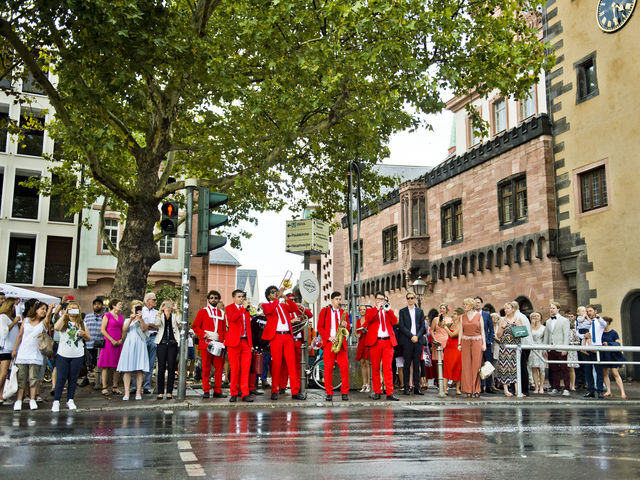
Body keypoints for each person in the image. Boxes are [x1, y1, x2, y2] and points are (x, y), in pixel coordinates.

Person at [261, 285, 306, 400]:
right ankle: (274, 390)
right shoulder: (266, 305)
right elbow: (269, 310)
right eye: (273, 292)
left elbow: (294, 308)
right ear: (268, 296)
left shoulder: (283, 305)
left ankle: (295, 392)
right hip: (276, 337)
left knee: (291, 364)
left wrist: (285, 297)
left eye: (276, 291)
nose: (275, 293)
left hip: (287, 336)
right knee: (277, 364)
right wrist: (277, 298)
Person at [12, 301, 54, 410]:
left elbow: (48, 318)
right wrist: (15, 349)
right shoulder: (26, 320)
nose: (44, 311)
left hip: (36, 354)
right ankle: (19, 400)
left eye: (45, 309)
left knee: (33, 378)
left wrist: (50, 310)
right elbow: (20, 336)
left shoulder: (43, 323)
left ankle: (32, 399)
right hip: (23, 353)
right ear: (36, 309)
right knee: (21, 378)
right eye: (42, 309)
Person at [51, 301, 90, 411]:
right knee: (61, 378)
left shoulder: (82, 323)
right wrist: (65, 314)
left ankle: (70, 399)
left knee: (73, 378)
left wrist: (84, 334)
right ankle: (56, 401)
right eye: (71, 308)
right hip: (63, 354)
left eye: (75, 309)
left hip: (77, 354)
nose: (73, 311)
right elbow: (56, 328)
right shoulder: (64, 321)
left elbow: (88, 337)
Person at [364, 292, 399, 401]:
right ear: (375, 300)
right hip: (376, 342)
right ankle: (377, 391)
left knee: (388, 368)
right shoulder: (371, 311)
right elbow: (368, 320)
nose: (381, 301)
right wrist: (377, 309)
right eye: (379, 299)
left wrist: (387, 311)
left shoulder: (388, 310)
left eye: (383, 299)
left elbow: (394, 321)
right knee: (375, 368)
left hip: (388, 342)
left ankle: (389, 392)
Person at [192, 290, 227, 399]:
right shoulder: (203, 311)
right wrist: (203, 334)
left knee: (219, 368)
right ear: (208, 299)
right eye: (211, 298)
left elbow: (223, 329)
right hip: (206, 343)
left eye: (216, 298)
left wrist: (224, 341)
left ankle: (217, 390)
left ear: (218, 300)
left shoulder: (222, 313)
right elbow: (195, 326)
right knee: (206, 368)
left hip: (218, 343)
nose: (214, 299)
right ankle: (206, 390)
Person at [317, 292, 351, 401]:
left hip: (341, 343)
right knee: (327, 369)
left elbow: (348, 329)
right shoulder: (325, 311)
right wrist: (328, 337)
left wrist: (347, 325)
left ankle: (345, 392)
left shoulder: (343, 313)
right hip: (329, 343)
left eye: (340, 299)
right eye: (337, 299)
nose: (339, 301)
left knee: (345, 368)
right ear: (332, 300)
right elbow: (320, 327)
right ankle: (329, 392)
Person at [279, 292, 311, 394]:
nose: (292, 301)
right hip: (288, 340)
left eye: (294, 299)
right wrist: (291, 321)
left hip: (298, 341)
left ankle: (297, 387)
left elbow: (310, 315)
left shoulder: (297, 310)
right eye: (290, 299)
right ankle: (282, 386)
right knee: (285, 365)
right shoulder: (284, 310)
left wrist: (301, 307)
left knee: (298, 365)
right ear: (285, 300)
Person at [117, 301, 149, 400]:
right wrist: (131, 319)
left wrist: (141, 319)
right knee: (127, 369)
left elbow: (144, 329)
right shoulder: (127, 319)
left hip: (140, 343)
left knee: (139, 369)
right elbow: (124, 329)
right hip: (129, 344)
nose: (136, 310)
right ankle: (126, 393)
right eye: (135, 308)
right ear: (132, 309)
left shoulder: (144, 319)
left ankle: (138, 392)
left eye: (138, 308)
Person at [225, 290, 254, 402]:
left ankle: (245, 393)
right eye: (239, 296)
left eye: (243, 297)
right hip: (234, 342)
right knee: (235, 368)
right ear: (233, 298)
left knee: (246, 369)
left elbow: (249, 328)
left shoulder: (246, 310)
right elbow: (232, 319)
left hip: (245, 342)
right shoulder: (229, 308)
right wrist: (243, 309)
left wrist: (250, 344)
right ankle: (233, 393)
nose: (241, 298)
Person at [397, 291, 426, 396]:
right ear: (406, 299)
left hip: (417, 341)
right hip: (407, 341)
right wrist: (411, 336)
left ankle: (417, 388)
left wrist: (417, 336)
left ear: (415, 299)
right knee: (407, 365)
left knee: (417, 365)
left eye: (412, 298)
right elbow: (402, 326)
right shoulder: (402, 311)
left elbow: (423, 326)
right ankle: (406, 387)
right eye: (408, 298)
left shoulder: (420, 311)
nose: (410, 300)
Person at [97, 299, 125, 396]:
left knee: (117, 366)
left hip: (118, 342)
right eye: (119, 304)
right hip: (109, 342)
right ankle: (104, 387)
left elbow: (122, 329)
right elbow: (102, 329)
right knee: (106, 365)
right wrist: (111, 339)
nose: (121, 306)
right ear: (113, 306)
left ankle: (115, 386)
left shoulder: (121, 317)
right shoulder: (107, 315)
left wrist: (121, 339)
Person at [459, 297, 485, 398]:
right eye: (464, 304)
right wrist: (459, 344)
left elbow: (482, 330)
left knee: (477, 365)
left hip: (477, 341)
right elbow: (461, 330)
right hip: (465, 341)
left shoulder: (478, 316)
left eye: (466, 304)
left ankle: (476, 389)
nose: (464, 306)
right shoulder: (462, 317)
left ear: (471, 306)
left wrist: (484, 344)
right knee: (466, 366)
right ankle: (468, 390)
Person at [543, 301, 571, 396]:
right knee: (554, 369)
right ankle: (556, 387)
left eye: (553, 308)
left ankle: (567, 388)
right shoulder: (548, 321)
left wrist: (565, 348)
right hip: (551, 348)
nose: (551, 310)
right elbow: (547, 335)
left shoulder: (564, 320)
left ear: (558, 309)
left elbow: (566, 335)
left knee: (564, 368)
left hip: (561, 347)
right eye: (550, 308)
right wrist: (545, 348)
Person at [154, 300, 180, 400]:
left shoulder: (174, 316)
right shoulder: (160, 315)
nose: (168, 307)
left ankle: (169, 391)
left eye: (170, 305)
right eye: (166, 305)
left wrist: (177, 310)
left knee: (171, 368)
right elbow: (157, 323)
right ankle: (160, 392)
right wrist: (160, 310)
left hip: (172, 344)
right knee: (161, 368)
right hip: (162, 344)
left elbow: (179, 321)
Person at [495, 302, 522, 397]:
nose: (506, 310)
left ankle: (517, 390)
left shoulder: (518, 319)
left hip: (515, 346)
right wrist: (502, 327)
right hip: (505, 346)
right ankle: (506, 389)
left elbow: (522, 333)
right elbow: (498, 335)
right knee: (505, 367)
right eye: (505, 308)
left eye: (508, 308)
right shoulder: (502, 320)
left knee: (516, 367)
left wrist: (519, 326)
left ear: (513, 309)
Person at [583, 305, 607, 399]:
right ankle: (591, 390)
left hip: (597, 347)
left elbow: (604, 324)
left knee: (598, 370)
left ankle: (600, 390)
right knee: (588, 370)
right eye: (587, 311)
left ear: (595, 311)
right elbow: (580, 332)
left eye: (590, 311)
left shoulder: (599, 321)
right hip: (588, 347)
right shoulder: (587, 322)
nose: (589, 312)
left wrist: (598, 317)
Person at [0, 298, 21, 405]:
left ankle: (2, 395)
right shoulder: (3, 317)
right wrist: (14, 322)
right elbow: (4, 332)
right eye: (13, 306)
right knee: (3, 373)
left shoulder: (10, 318)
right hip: (5, 349)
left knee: (6, 373)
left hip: (11, 348)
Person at [600, 316, 627, 399]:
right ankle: (608, 391)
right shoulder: (600, 332)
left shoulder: (613, 332)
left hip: (612, 355)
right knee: (605, 372)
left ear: (607, 322)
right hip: (604, 354)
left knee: (615, 372)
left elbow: (618, 343)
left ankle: (622, 392)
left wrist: (608, 344)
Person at [475, 297, 495, 394]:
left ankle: (488, 386)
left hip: (486, 342)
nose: (477, 304)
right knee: (477, 364)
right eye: (475, 303)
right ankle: (479, 385)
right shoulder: (472, 315)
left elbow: (491, 329)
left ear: (482, 304)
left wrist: (490, 340)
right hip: (475, 342)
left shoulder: (487, 315)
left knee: (488, 364)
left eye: (479, 302)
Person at [83, 298, 104, 389]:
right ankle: (85, 379)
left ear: (102, 306)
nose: (97, 305)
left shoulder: (105, 316)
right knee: (86, 363)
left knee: (98, 363)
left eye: (99, 304)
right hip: (88, 343)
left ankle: (98, 381)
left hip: (100, 344)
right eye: (95, 304)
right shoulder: (88, 317)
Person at [140, 292, 159, 394]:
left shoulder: (157, 312)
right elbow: (141, 326)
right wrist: (150, 325)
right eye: (154, 300)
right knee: (139, 362)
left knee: (151, 363)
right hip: (143, 338)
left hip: (153, 337)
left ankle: (146, 386)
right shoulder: (141, 311)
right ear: (148, 301)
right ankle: (135, 386)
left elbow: (158, 326)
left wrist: (148, 325)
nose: (155, 301)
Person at [514, 301, 532, 396]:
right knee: (521, 367)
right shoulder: (522, 316)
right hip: (525, 344)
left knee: (522, 367)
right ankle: (521, 388)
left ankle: (524, 389)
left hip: (523, 345)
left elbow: (521, 332)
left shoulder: (518, 317)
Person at [429, 304, 451, 385]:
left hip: (447, 340)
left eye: (443, 308)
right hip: (438, 340)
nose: (441, 309)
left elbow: (451, 330)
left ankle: (446, 380)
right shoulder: (436, 319)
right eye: (440, 308)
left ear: (446, 310)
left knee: (446, 361)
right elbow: (431, 330)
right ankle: (439, 380)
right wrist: (434, 339)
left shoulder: (449, 319)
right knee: (439, 362)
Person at [442, 307, 462, 395]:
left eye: (455, 314)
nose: (453, 315)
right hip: (448, 347)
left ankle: (457, 388)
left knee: (457, 367)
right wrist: (441, 319)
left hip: (456, 348)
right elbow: (440, 325)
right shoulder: (451, 324)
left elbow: (452, 334)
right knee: (447, 367)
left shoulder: (461, 325)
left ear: (459, 316)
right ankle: (445, 388)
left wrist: (445, 327)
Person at [528, 312, 546, 394]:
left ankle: (541, 386)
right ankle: (536, 386)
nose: (536, 317)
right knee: (533, 368)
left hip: (541, 348)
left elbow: (545, 339)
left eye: (538, 315)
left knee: (541, 368)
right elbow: (528, 336)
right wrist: (531, 325)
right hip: (532, 348)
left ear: (540, 317)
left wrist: (545, 350)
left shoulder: (544, 328)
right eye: (534, 316)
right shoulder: (530, 327)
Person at [354, 305, 371, 393]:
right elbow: (355, 332)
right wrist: (357, 335)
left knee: (368, 363)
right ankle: (364, 384)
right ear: (359, 311)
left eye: (364, 309)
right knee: (362, 363)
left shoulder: (368, 320)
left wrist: (366, 331)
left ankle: (368, 384)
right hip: (361, 342)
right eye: (361, 310)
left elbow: (372, 331)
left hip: (367, 342)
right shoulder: (358, 321)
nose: (363, 311)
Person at [567, 316, 581, 391]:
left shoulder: (573, 331)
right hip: (564, 350)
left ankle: (572, 385)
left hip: (571, 351)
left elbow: (578, 341)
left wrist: (571, 343)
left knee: (571, 369)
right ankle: (566, 384)